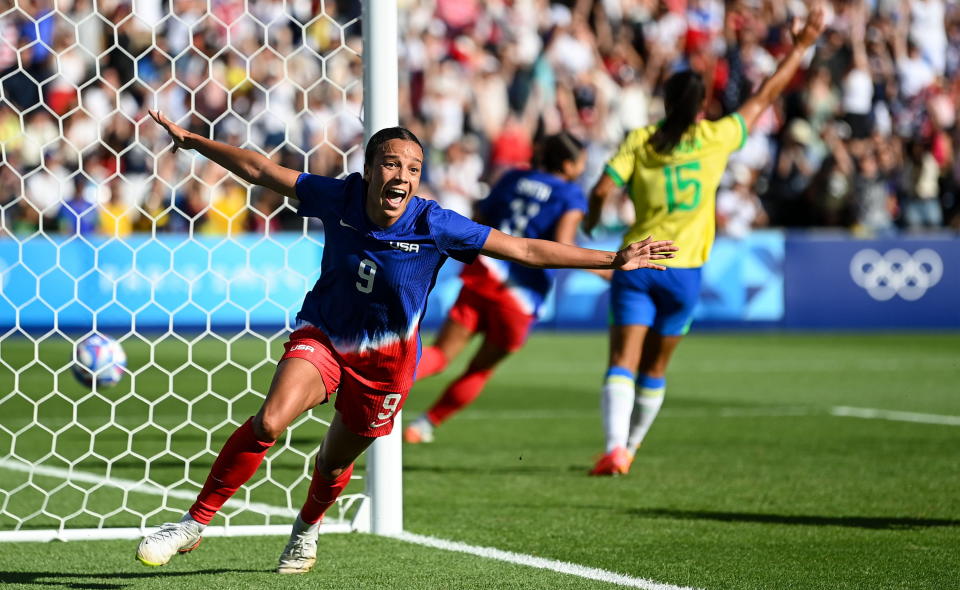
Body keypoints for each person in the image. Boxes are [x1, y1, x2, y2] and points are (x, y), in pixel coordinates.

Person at [135, 111, 678, 573]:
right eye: (392, 164)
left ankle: (306, 527)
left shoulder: (436, 224)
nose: (402, 176)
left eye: (413, 169)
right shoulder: (339, 196)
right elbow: (259, 169)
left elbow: (526, 251)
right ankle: (191, 524)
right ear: (370, 169)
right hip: (324, 335)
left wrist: (614, 257)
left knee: (330, 463)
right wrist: (195, 143)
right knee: (271, 421)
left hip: (386, 368)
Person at [582, 6, 825, 476]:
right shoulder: (716, 137)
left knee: (621, 361)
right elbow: (768, 92)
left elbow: (600, 190)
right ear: (700, 107)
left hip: (636, 267)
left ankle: (613, 447)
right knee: (656, 368)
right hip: (685, 272)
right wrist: (799, 47)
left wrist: (593, 221)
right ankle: (629, 448)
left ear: (665, 103)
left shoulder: (642, 140)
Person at [404, 132, 589, 444]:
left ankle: (378, 389)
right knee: (479, 370)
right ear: (568, 164)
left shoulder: (513, 177)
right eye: (582, 162)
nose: (583, 168)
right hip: (520, 299)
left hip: (483, 275)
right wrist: (607, 269)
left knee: (438, 354)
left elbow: (479, 218)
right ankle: (422, 425)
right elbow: (563, 245)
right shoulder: (571, 195)